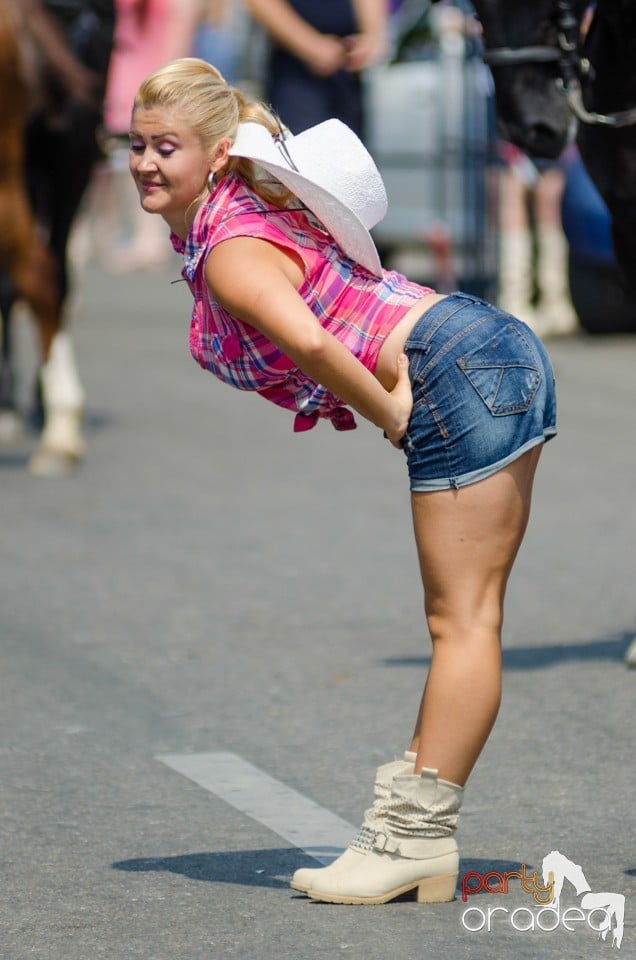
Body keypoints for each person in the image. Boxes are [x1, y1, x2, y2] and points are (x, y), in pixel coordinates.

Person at [129, 57, 557, 905]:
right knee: (466, 617)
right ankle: (413, 834)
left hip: (452, 366)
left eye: (165, 146)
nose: (144, 162)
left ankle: (416, 841)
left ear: (217, 154)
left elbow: (317, 344)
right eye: (135, 144)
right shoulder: (245, 207)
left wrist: (391, 414)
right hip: (477, 350)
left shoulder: (230, 248)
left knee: (463, 620)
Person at [244, 0, 387, 135]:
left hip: (350, 69)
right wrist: (310, 46)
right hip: (296, 71)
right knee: (302, 153)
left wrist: (371, 37)